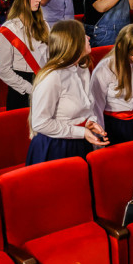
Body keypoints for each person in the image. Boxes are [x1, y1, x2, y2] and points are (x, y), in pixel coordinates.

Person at [26, 19, 108, 164]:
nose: (88, 37)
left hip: (79, 143)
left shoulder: (82, 68)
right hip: (55, 148)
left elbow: (87, 106)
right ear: (73, 43)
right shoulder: (52, 77)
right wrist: (81, 132)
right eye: (83, 35)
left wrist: (90, 122)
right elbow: (39, 123)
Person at [0, 0, 50, 111]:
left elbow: (49, 58)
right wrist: (31, 89)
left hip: (43, 85)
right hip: (21, 91)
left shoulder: (44, 25)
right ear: (22, 0)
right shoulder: (8, 30)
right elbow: (3, 71)